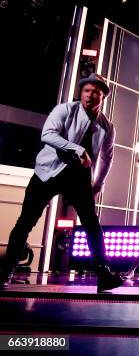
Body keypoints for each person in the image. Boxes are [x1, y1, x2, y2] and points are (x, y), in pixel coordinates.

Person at [0, 73, 123, 293]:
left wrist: (99, 183)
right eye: (87, 91)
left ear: (103, 97)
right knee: (26, 221)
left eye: (96, 92)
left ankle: (103, 273)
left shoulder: (107, 126)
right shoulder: (64, 110)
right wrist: (78, 149)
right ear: (81, 92)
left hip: (79, 178)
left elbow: (107, 157)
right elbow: (47, 135)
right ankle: (5, 270)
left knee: (91, 224)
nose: (90, 95)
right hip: (48, 171)